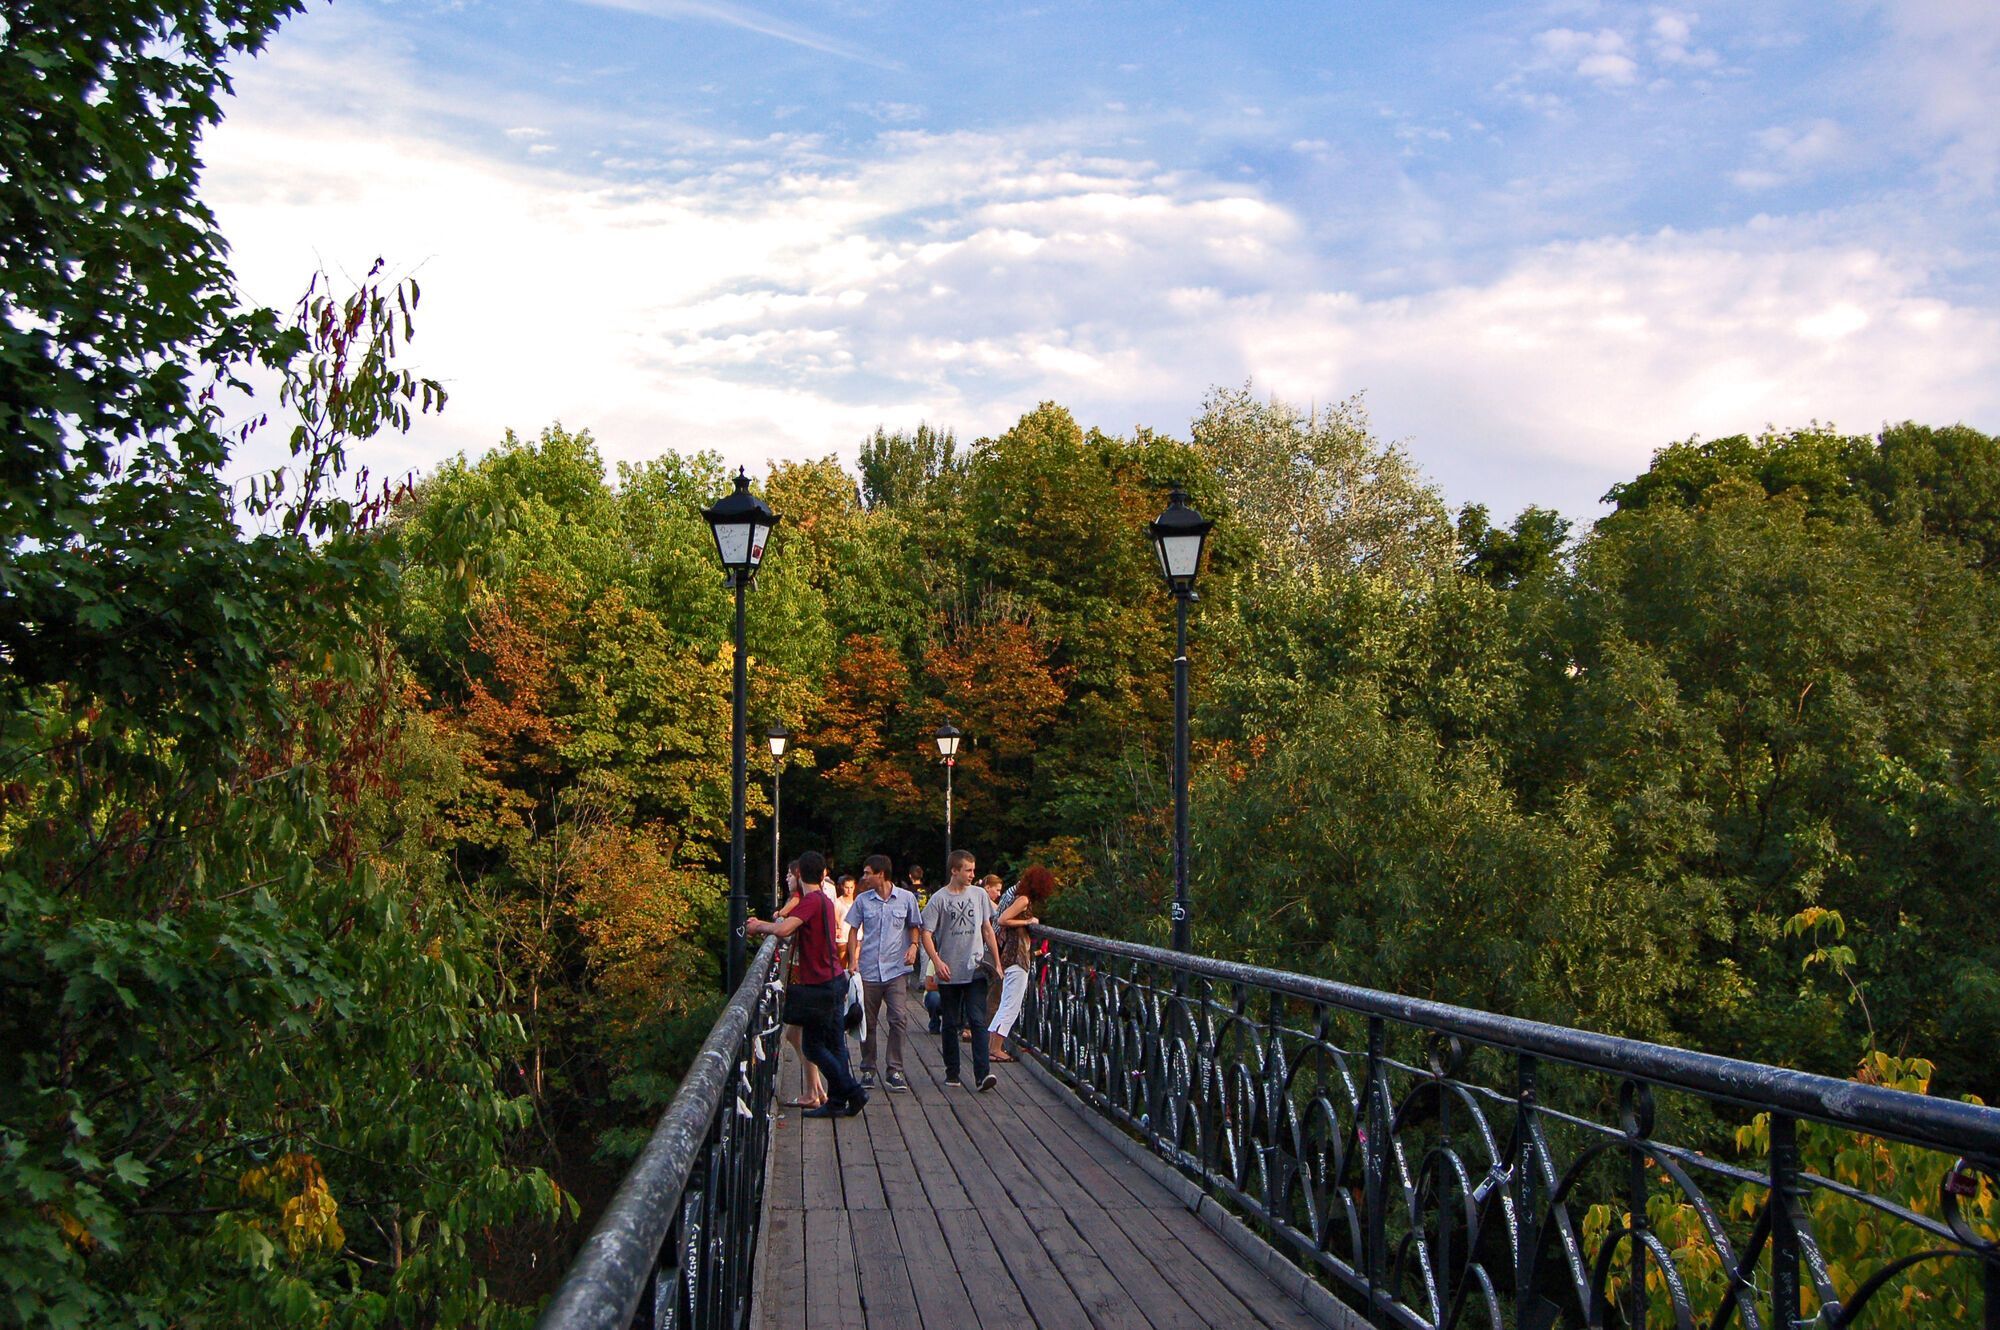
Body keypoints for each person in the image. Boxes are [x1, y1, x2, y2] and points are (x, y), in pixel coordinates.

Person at [749, 850, 866, 1119]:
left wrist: (758, 926)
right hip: (835, 979)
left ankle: (853, 1091)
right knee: (835, 1044)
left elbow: (783, 929)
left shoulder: (811, 901)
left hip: (820, 984)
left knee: (813, 1047)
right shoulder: (825, 900)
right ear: (824, 874)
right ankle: (837, 1102)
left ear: (799, 874)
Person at [919, 849, 1001, 1091]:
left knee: (977, 1019)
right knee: (951, 1022)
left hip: (974, 968)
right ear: (954, 870)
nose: (972, 875)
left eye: (974, 870)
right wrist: (937, 960)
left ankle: (982, 1075)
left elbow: (987, 928)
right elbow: (926, 933)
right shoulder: (939, 899)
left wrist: (996, 962)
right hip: (950, 970)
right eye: (968, 870)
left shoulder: (978, 895)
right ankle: (952, 1071)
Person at [843, 854, 922, 1093]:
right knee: (868, 1021)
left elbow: (914, 925)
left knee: (898, 1018)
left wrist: (913, 946)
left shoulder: (906, 898)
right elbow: (853, 930)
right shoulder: (863, 901)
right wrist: (852, 960)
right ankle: (868, 1068)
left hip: (896, 969)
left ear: (881, 874)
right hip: (868, 968)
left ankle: (894, 1069)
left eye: (868, 873)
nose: (864, 877)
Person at [988, 864, 1054, 1064]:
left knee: (1007, 1003)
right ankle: (996, 1048)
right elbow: (1003, 919)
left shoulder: (1020, 896)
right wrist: (1027, 922)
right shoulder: (1023, 900)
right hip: (1017, 956)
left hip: (1012, 955)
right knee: (1011, 1004)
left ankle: (992, 1047)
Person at [775, 863, 826, 1110]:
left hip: (804, 975)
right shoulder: (811, 899)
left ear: (798, 875)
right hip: (806, 975)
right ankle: (816, 1090)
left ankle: (814, 1091)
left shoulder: (802, 900)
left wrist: (762, 925)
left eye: (788, 874)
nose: (785, 878)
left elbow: (783, 924)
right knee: (799, 1034)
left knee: (799, 1034)